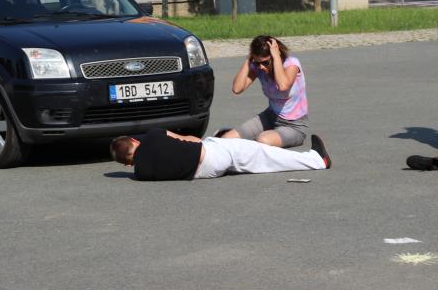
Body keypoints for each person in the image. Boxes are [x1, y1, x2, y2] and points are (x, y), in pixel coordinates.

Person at [110, 128, 331, 181]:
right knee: (261, 152)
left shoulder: (140, 174)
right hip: (208, 154)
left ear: (128, 164)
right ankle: (316, 160)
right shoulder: (153, 135)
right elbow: (191, 140)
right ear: (135, 141)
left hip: (204, 172)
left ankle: (222, 138)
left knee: (251, 162)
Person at [219, 36, 309, 148]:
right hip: (270, 117)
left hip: (294, 126)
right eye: (257, 63)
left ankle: (262, 138)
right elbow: (237, 88)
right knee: (226, 140)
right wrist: (249, 59)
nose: (261, 67)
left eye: (265, 62)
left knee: (262, 141)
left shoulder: (291, 64)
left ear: (276, 55)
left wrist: (276, 56)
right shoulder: (258, 67)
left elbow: (283, 86)